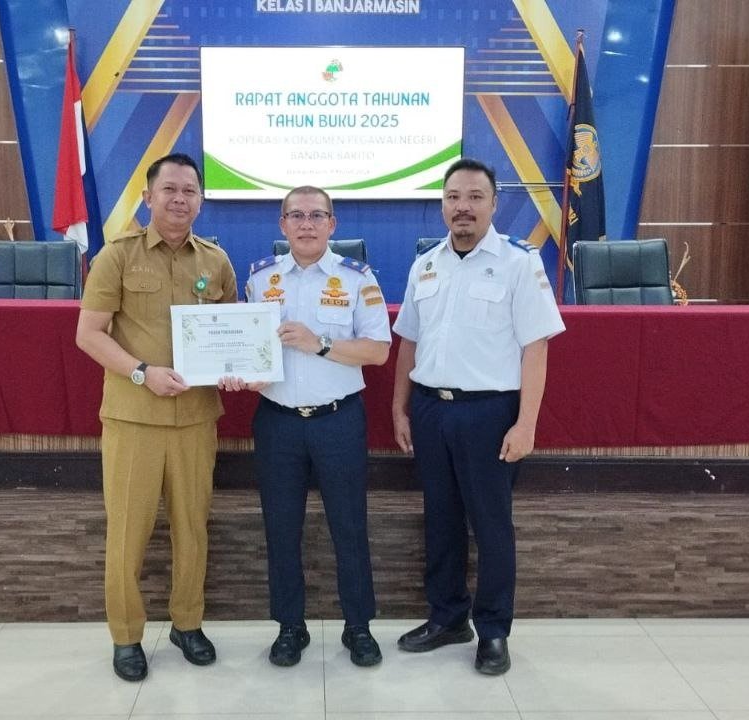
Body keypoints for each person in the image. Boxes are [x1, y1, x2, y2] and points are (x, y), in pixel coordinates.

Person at [390, 158, 564, 676]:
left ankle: (492, 630)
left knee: (491, 526)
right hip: (430, 410)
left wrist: (526, 423)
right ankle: (447, 618)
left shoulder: (518, 264)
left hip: (489, 413)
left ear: (494, 203)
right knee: (440, 519)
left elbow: (536, 347)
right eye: (453, 197)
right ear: (442, 204)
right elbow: (408, 342)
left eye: (474, 197)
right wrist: (399, 407)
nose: (462, 207)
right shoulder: (425, 265)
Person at [75, 152, 237, 683]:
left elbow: (231, 336)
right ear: (147, 197)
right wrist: (142, 373)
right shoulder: (117, 256)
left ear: (201, 201)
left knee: (193, 529)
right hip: (134, 418)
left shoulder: (216, 261)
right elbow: (89, 334)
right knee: (128, 532)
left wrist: (237, 368)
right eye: (169, 189)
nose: (179, 199)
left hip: (195, 420)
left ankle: (187, 624)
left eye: (190, 191)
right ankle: (126, 635)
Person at [230, 186, 391, 668]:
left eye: (317, 215)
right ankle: (289, 627)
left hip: (337, 420)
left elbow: (378, 351)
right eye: (296, 215)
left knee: (349, 527)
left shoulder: (357, 278)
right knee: (281, 528)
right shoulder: (260, 278)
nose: (306, 224)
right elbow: (250, 348)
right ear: (282, 224)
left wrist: (319, 343)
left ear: (332, 224)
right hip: (277, 423)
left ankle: (358, 627)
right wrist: (242, 371)